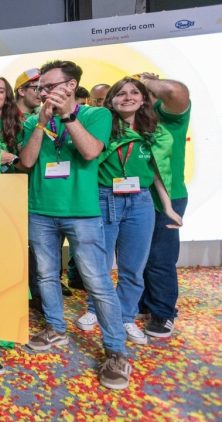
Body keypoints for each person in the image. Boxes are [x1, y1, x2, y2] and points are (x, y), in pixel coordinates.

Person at [19, 61, 131, 390]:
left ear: (70, 86)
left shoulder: (97, 115)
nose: (43, 92)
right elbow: (26, 161)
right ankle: (55, 328)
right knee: (45, 275)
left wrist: (67, 116)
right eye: (40, 88)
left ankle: (116, 350)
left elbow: (90, 151)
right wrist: (41, 124)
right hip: (40, 209)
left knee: (97, 281)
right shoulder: (33, 119)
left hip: (81, 212)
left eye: (50, 86)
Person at [75, 77, 183, 345]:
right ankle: (95, 309)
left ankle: (125, 316)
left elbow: (157, 172)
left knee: (133, 267)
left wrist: (168, 207)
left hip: (140, 202)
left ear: (143, 99)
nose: (128, 97)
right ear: (111, 101)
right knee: (99, 264)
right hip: (104, 198)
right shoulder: (102, 130)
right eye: (120, 94)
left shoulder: (153, 132)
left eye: (134, 92)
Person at [138, 72, 191, 338]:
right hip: (136, 196)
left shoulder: (169, 114)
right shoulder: (133, 119)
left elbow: (174, 91)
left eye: (139, 91)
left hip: (169, 196)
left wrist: (146, 81)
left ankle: (163, 312)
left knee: (160, 257)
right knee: (138, 256)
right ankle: (145, 303)